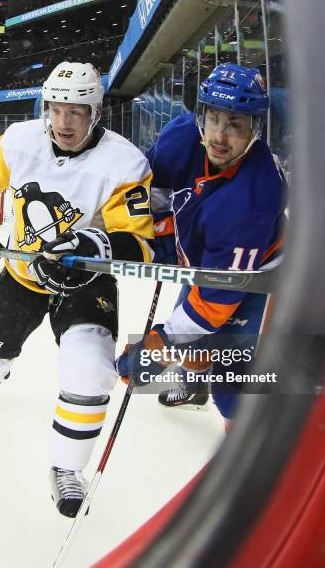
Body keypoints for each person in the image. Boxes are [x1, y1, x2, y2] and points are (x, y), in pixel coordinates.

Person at [0, 62, 154, 517]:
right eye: (57, 108)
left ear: (96, 112)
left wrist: (91, 245)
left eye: (77, 111)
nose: (64, 121)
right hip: (22, 278)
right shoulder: (20, 139)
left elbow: (138, 242)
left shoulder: (125, 162)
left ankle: (67, 468)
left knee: (91, 371)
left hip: (86, 285)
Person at [115, 63, 287, 432]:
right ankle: (194, 388)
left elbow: (214, 303)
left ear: (255, 128)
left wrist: (157, 348)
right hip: (207, 253)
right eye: (214, 119)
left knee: (233, 381)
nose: (220, 136)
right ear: (201, 116)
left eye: (236, 125)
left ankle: (243, 460)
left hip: (256, 276)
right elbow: (154, 195)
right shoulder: (181, 134)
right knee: (193, 335)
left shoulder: (252, 196)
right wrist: (154, 237)